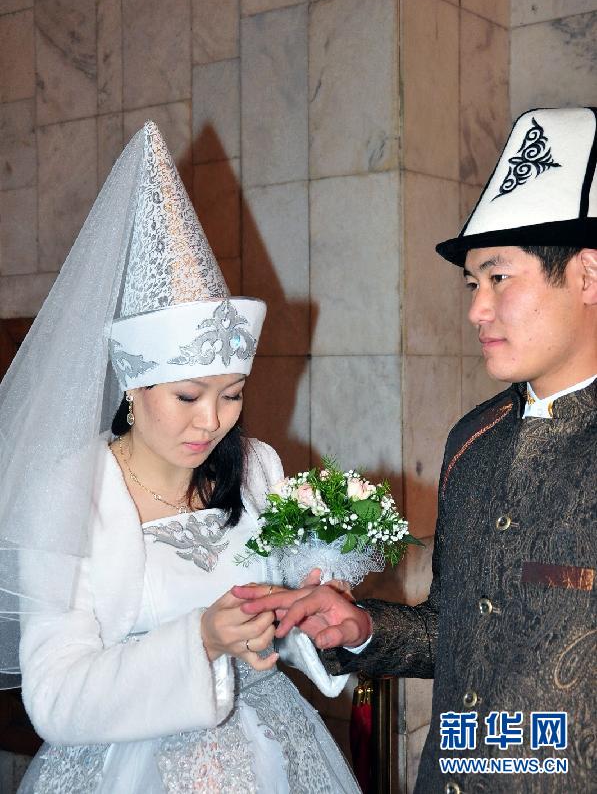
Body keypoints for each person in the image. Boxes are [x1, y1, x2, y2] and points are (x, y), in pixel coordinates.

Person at [235, 107, 597, 793]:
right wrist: (364, 628)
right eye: (470, 283)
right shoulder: (474, 438)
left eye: (498, 278)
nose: (475, 310)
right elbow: (455, 628)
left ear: (584, 275)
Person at [0, 122, 361, 793]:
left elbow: (283, 629)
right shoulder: (70, 492)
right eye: (189, 394)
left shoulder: (255, 468)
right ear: (129, 389)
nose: (212, 421)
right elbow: (52, 697)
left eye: (231, 394)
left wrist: (312, 618)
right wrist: (199, 639)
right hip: (123, 765)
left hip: (271, 751)